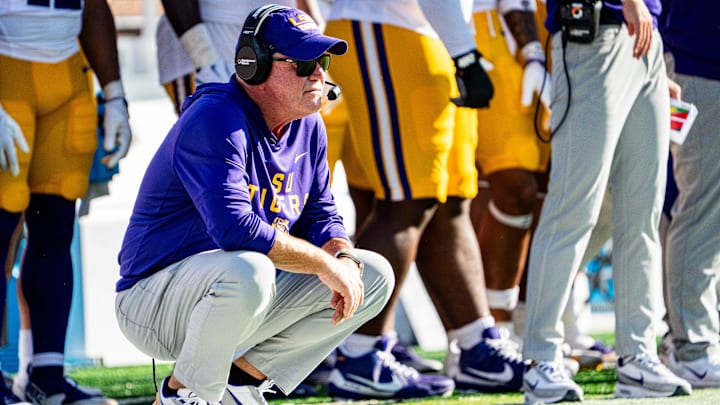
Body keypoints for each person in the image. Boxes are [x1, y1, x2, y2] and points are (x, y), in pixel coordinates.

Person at [114, 5, 393, 405]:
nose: (318, 73)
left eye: (322, 60)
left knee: (374, 274)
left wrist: (341, 256)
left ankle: (240, 382)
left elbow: (321, 215)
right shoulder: (215, 117)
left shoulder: (309, 125)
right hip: (154, 305)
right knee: (250, 267)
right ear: (253, 65)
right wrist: (324, 265)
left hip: (234, 294)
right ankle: (183, 394)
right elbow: (235, 229)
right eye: (302, 63)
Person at [322, 0, 527, 399]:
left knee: (449, 199)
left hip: (435, 32)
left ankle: (475, 344)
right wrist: (465, 53)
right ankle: (359, 354)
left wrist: (462, 47)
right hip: (388, 25)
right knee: (405, 201)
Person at [521, 0, 692, 402]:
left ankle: (637, 356)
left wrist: (650, 56)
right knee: (572, 208)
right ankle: (541, 359)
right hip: (592, 33)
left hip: (641, 41)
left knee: (642, 215)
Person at [0, 0, 131, 403]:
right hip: (8, 68)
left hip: (68, 72)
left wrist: (115, 93)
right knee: (1, 230)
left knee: (56, 226)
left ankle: (47, 376)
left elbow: (93, 6)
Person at [467, 0, 551, 339]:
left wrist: (532, 51)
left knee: (528, 188)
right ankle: (484, 327)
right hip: (454, 28)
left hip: (511, 31)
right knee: (477, 190)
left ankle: (506, 320)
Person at [659, 0, 720, 389]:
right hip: (695, 59)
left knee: (700, 204)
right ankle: (690, 347)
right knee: (700, 205)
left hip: (699, 55)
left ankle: (688, 338)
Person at [155, 0, 323, 114]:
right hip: (210, 42)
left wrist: (315, 35)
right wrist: (204, 58)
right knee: (216, 149)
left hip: (277, 48)